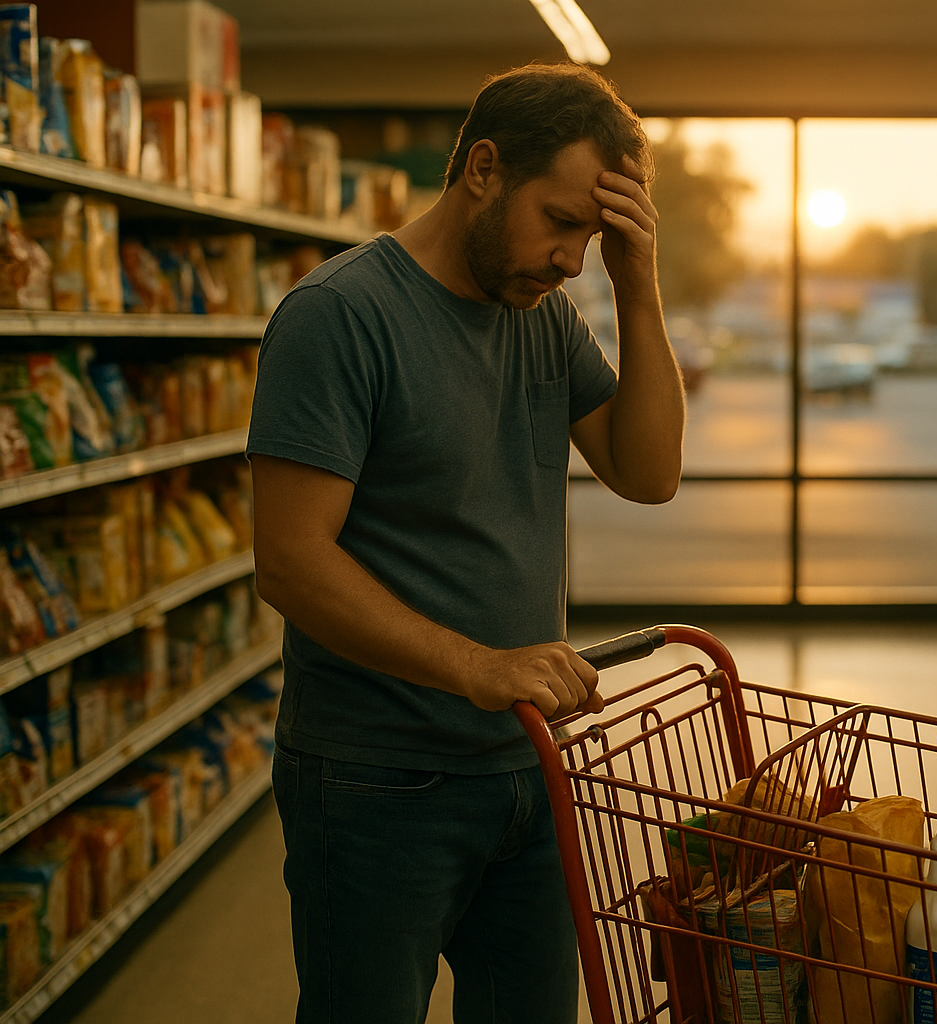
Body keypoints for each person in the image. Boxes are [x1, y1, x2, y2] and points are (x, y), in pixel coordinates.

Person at [245, 62, 685, 1024]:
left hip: (528, 766)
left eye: (594, 236)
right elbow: (289, 559)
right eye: (562, 220)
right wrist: (475, 666)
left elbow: (648, 473)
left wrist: (639, 287)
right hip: (373, 781)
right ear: (483, 167)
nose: (572, 257)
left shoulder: (543, 313)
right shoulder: (342, 316)